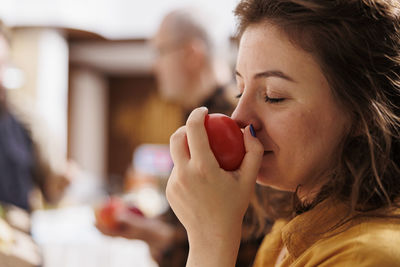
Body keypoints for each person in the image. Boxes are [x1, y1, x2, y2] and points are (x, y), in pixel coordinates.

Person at [166, 0, 400, 266]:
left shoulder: (367, 258)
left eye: (273, 96)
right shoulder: (284, 231)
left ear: (363, 114)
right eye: (240, 90)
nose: (238, 118)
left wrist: (210, 240)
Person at [95, 7, 290, 267]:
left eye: (160, 51)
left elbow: (254, 238)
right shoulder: (199, 121)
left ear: (191, 54)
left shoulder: (232, 127)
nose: (154, 65)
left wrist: (159, 237)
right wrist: (151, 229)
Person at [0, 21, 70, 213]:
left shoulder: (24, 120)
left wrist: (60, 182)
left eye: (2, 64)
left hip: (17, 239)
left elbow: (50, 193)